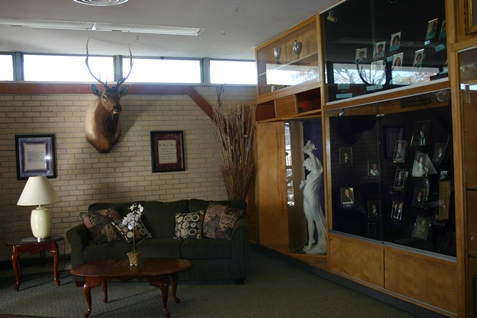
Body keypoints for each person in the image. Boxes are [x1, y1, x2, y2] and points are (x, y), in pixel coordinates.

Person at [299, 140, 326, 255]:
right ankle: (311, 242)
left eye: (308, 164)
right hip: (306, 198)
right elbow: (306, 184)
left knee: (317, 220)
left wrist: (309, 152)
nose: (307, 167)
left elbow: (314, 162)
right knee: (309, 220)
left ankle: (322, 243)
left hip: (312, 198)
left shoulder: (317, 171)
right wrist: (302, 185)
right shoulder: (310, 175)